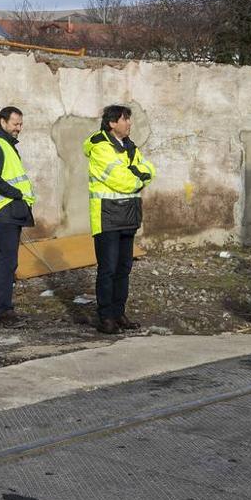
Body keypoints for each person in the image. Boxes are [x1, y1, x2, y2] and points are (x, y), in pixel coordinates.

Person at [83, 105, 155, 335]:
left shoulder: (129, 147)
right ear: (112, 123)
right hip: (107, 216)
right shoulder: (100, 147)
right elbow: (120, 179)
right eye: (125, 120)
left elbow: (150, 169)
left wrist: (139, 174)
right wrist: (139, 177)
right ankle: (105, 317)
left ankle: (118, 313)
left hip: (129, 214)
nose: (129, 124)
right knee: (108, 269)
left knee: (124, 268)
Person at [0, 106, 34, 328]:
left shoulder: (6, 145)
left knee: (6, 262)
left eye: (20, 124)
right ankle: (4, 311)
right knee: (7, 263)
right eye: (15, 124)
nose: (19, 128)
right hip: (4, 212)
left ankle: (3, 308)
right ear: (2, 122)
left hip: (10, 212)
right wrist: (17, 194)